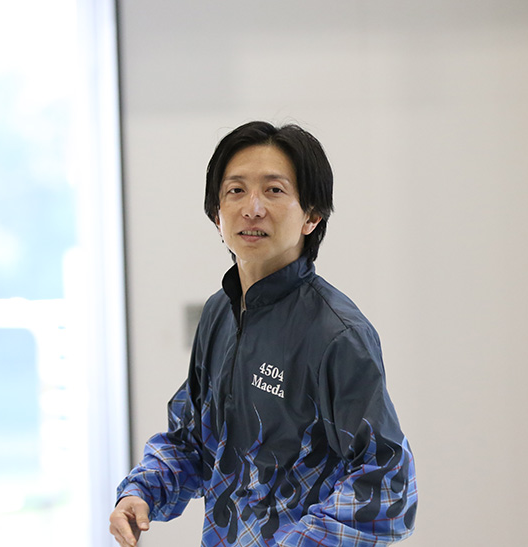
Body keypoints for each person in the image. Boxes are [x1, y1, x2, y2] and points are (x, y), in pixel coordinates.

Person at [109, 121, 417, 547]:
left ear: (312, 215)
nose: (252, 208)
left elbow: (386, 486)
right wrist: (141, 491)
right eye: (236, 190)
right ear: (216, 213)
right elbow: (193, 441)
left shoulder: (338, 334)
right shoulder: (220, 313)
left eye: (274, 190)